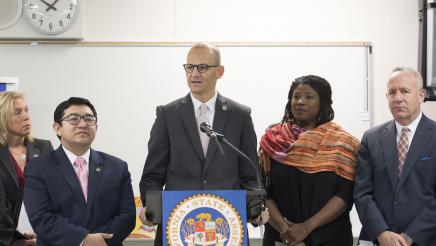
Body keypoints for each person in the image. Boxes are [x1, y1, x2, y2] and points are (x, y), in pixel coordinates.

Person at [139, 42, 268, 245]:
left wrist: (256, 211)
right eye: (189, 67)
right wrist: (151, 208)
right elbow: (153, 175)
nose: (194, 73)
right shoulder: (168, 115)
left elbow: (250, 174)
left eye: (202, 67)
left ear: (220, 71)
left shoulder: (239, 115)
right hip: (178, 226)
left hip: (227, 227)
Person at [259, 75, 360, 246]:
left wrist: (306, 228)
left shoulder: (343, 143)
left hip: (330, 238)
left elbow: (345, 194)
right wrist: (286, 231)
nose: (300, 101)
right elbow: (263, 191)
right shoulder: (272, 140)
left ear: (323, 102)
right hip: (281, 237)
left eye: (309, 97)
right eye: (296, 96)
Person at [23, 97, 136, 246]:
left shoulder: (117, 167)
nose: (83, 124)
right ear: (58, 128)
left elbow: (127, 216)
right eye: (73, 119)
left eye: (89, 119)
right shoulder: (38, 168)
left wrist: (100, 241)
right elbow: (41, 217)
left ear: (97, 127)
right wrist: (83, 239)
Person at [354, 67, 436, 246]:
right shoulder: (371, 138)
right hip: (377, 239)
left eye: (405, 91)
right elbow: (362, 192)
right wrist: (382, 233)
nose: (397, 98)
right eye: (392, 92)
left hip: (425, 239)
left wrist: (409, 236)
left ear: (421, 95)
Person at [0, 91, 53, 246]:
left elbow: (56, 194)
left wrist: (47, 234)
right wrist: (15, 241)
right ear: (3, 118)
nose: (26, 116)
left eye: (26, 110)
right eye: (18, 112)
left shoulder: (44, 147)